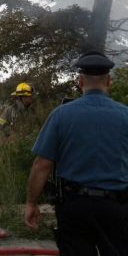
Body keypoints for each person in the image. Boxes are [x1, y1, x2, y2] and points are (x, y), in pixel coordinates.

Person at [24, 51, 128, 255]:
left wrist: (31, 202)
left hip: (74, 207)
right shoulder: (125, 115)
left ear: (80, 81)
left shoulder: (61, 115)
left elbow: (42, 164)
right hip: (117, 207)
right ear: (109, 81)